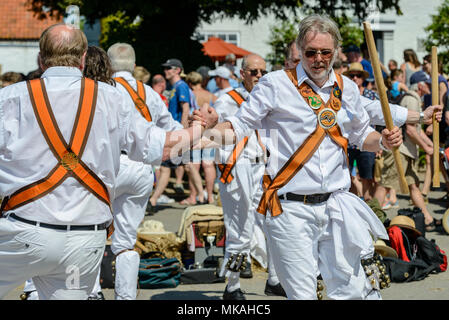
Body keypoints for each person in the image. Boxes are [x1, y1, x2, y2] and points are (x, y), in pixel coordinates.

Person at [194, 14, 404, 300]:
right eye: (311, 52)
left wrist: (383, 141)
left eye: (325, 52)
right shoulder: (275, 84)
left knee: (353, 290)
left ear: (336, 52)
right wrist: (206, 132)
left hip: (337, 205)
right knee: (301, 295)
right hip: (290, 209)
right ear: (300, 50)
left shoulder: (347, 88)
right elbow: (239, 126)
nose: (318, 58)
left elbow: (361, 136)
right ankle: (234, 286)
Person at [0, 23, 209, 300]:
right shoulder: (113, 99)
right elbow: (164, 147)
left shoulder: (10, 98)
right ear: (84, 57)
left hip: (21, 237)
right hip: (81, 247)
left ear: (40, 57)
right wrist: (200, 128)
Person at [107, 43, 184, 299]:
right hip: (141, 167)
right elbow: (170, 127)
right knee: (126, 240)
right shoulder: (149, 92)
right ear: (134, 65)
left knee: (94, 230)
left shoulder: (103, 90)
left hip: (110, 165)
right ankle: (125, 297)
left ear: (108, 65)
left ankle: (92, 292)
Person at [209, 53, 285, 300]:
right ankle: (232, 286)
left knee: (272, 225)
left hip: (264, 168)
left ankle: (274, 279)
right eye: (254, 72)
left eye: (263, 71)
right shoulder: (226, 101)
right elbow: (215, 136)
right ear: (242, 74)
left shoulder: (269, 99)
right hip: (238, 169)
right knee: (238, 230)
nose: (259, 76)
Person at [375, 70, 440, 232]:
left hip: (406, 151)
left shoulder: (413, 98)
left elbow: (418, 131)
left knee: (413, 186)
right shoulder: (411, 99)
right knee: (385, 184)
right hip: (399, 150)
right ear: (420, 85)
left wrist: (430, 146)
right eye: (427, 83)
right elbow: (411, 130)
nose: (429, 87)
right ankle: (370, 222)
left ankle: (427, 218)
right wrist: (426, 148)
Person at [343, 62, 377, 201]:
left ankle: (368, 207)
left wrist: (379, 143)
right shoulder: (343, 95)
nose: (355, 78)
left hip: (367, 141)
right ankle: (354, 204)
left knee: (367, 178)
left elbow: (380, 117)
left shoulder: (370, 95)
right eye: (352, 75)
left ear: (363, 78)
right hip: (348, 143)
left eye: (358, 75)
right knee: (347, 178)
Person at [186, 71, 217, 203]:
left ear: (189, 82)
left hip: (196, 131)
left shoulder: (191, 95)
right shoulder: (211, 96)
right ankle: (209, 196)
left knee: (194, 165)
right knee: (209, 165)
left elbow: (188, 113)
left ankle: (194, 196)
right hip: (210, 132)